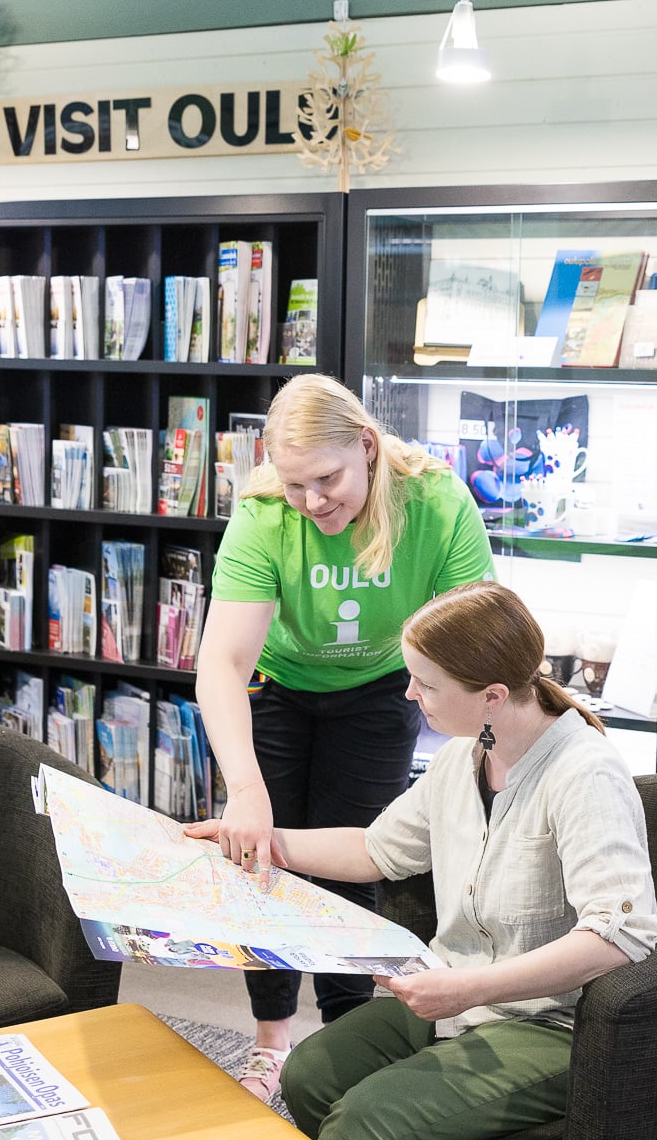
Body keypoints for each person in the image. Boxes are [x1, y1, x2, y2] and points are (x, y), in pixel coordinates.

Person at [186, 581, 657, 1140]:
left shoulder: (584, 774)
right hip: (458, 993)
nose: (410, 694)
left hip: (552, 1025)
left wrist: (465, 989)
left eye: (426, 683)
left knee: (362, 1123)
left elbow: (622, 935)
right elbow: (374, 850)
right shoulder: (464, 756)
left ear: (492, 695)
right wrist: (257, 841)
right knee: (308, 1077)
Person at [195, 374, 494, 1097]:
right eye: (296, 485)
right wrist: (244, 792)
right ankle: (270, 1041)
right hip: (279, 688)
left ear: (367, 445)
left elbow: (481, 631)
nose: (311, 501)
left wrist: (491, 742)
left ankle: (341, 1042)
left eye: (326, 479)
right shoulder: (266, 511)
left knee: (352, 869)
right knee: (257, 857)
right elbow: (222, 661)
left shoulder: (436, 500)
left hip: (381, 687)